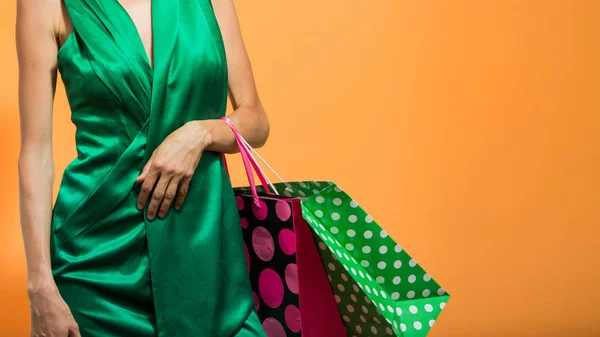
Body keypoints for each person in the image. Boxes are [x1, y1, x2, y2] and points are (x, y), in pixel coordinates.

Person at [16, 0, 270, 335]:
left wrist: (199, 134)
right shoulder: (44, 5)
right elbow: (36, 153)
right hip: (98, 265)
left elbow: (255, 121)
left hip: (206, 260)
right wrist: (40, 287)